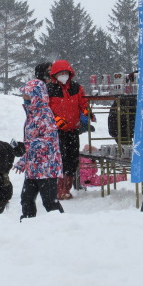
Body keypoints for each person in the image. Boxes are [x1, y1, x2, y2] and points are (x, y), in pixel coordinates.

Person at [15, 79, 64, 219]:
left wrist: (25, 146)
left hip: (47, 167)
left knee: (49, 202)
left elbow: (49, 141)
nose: (24, 97)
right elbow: (32, 143)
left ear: (36, 95)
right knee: (26, 199)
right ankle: (28, 226)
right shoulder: (31, 114)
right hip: (33, 168)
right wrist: (24, 160)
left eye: (27, 94)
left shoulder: (44, 114)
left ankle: (62, 227)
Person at [47, 59, 88, 200]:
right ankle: (59, 189)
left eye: (65, 73)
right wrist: (57, 121)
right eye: (60, 73)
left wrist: (86, 115)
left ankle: (67, 188)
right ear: (55, 75)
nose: (63, 76)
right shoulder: (49, 89)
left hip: (73, 130)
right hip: (57, 131)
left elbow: (84, 104)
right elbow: (47, 110)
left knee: (72, 159)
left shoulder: (76, 88)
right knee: (60, 159)